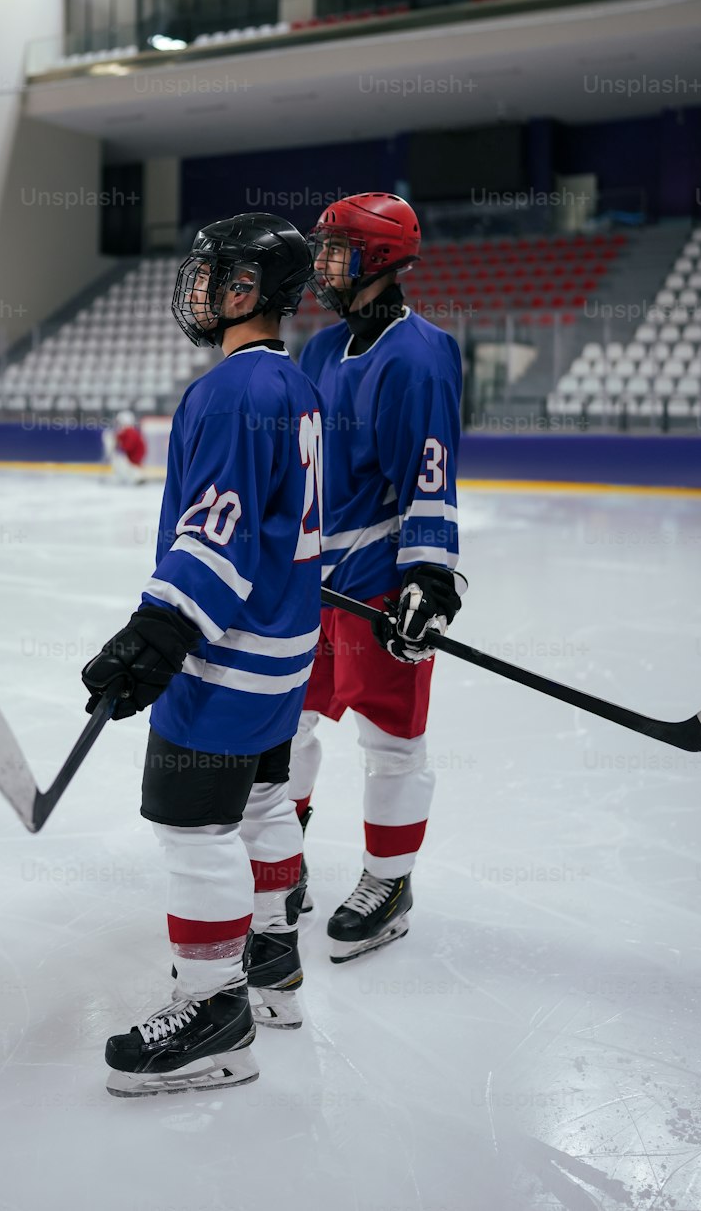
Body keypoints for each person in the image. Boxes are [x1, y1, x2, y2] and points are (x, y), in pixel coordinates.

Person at [81, 213, 324, 1097]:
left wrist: (158, 632)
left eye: (217, 277)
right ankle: (275, 967)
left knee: (194, 826)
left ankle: (217, 1014)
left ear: (252, 290)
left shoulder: (226, 393)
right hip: (285, 652)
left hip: (229, 655)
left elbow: (215, 537)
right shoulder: (293, 386)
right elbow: (270, 525)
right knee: (264, 801)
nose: (201, 290)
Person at [289, 192, 467, 963]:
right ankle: (279, 863)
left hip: (379, 588)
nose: (323, 263)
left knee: (391, 743)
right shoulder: (321, 351)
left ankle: (389, 882)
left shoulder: (419, 355)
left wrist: (429, 577)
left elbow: (431, 476)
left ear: (381, 259)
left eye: (337, 250)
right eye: (323, 249)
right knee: (285, 724)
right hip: (311, 587)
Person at [103, 408, 147, 485]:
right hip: (133, 454)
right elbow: (119, 438)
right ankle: (132, 477)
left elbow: (127, 446)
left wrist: (117, 445)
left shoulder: (130, 432)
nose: (118, 424)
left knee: (121, 463)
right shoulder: (127, 431)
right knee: (121, 462)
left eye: (119, 421)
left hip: (134, 455)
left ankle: (136, 477)